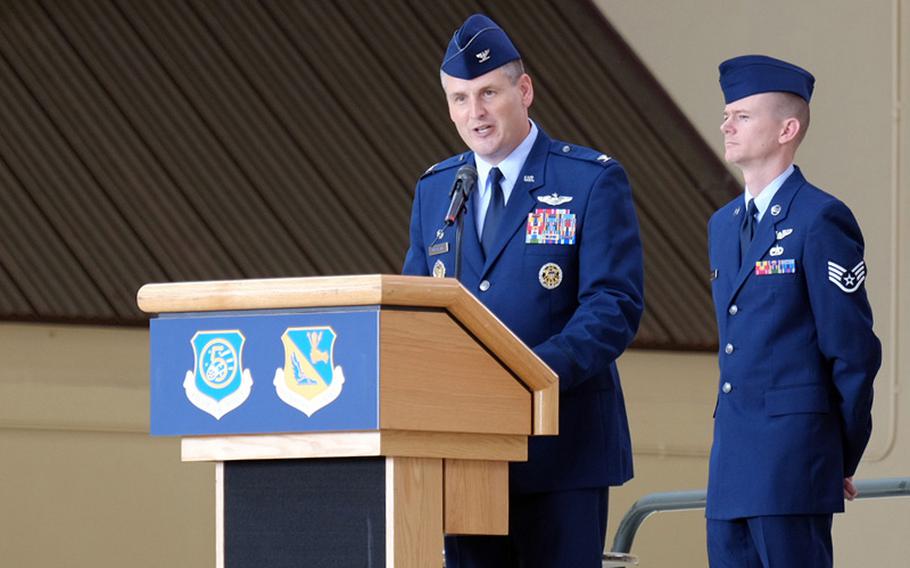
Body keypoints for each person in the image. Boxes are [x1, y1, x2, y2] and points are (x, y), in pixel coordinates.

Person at [401, 13, 644, 568]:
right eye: (459, 98)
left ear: (525, 90)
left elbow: (614, 306)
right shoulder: (438, 189)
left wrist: (525, 374)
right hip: (467, 452)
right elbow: (413, 314)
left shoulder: (587, 181)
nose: (474, 113)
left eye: (488, 93)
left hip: (563, 449)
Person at [706, 54, 881, 567]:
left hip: (793, 461)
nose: (726, 124)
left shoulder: (820, 218)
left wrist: (837, 454)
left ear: (787, 128)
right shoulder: (723, 224)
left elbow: (853, 351)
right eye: (726, 114)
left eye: (742, 115)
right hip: (731, 464)